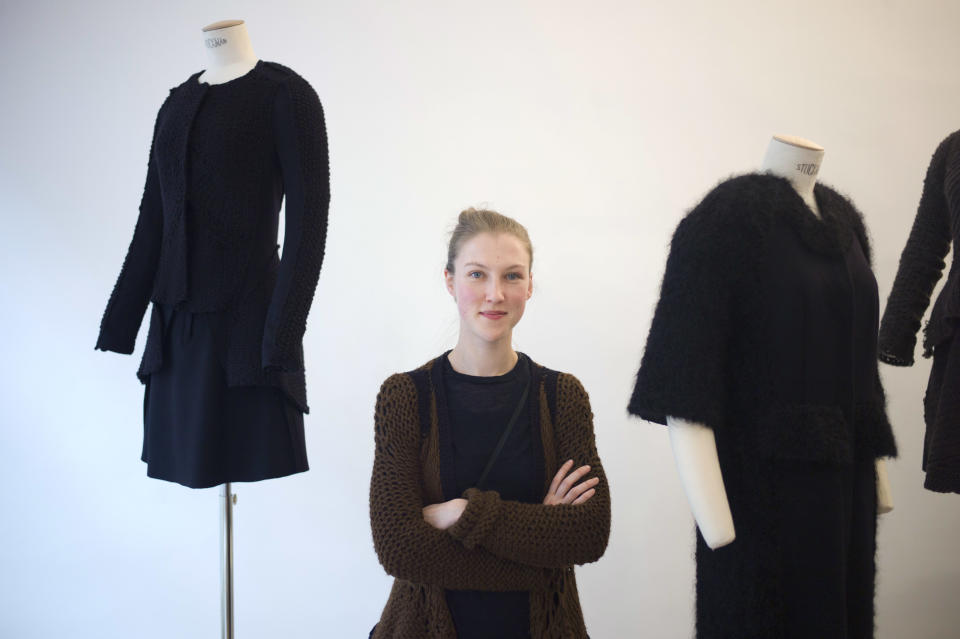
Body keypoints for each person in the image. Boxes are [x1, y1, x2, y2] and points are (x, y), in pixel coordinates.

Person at [369, 208, 611, 638]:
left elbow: (588, 534)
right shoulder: (405, 396)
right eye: (477, 274)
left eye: (512, 276)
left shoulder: (562, 396)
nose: (495, 294)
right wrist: (539, 543)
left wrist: (460, 512)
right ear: (450, 281)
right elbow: (398, 547)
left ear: (530, 284)